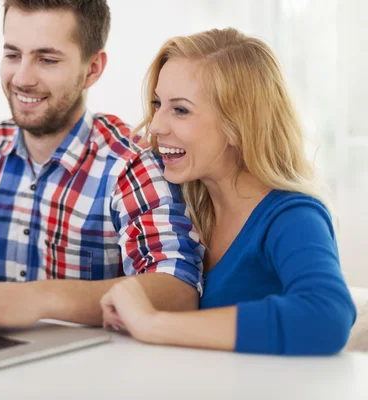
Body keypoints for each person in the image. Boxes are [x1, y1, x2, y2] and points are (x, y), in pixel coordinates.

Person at [0, 0, 204, 331]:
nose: (22, 78)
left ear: (92, 68)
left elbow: (178, 292)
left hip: (96, 375)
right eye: (12, 55)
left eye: (47, 60)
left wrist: (40, 299)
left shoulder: (129, 164)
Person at [100, 27, 357, 355]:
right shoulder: (179, 206)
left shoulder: (292, 216)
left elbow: (327, 316)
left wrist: (151, 322)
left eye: (180, 110)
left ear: (237, 125)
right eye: (157, 104)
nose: (156, 126)